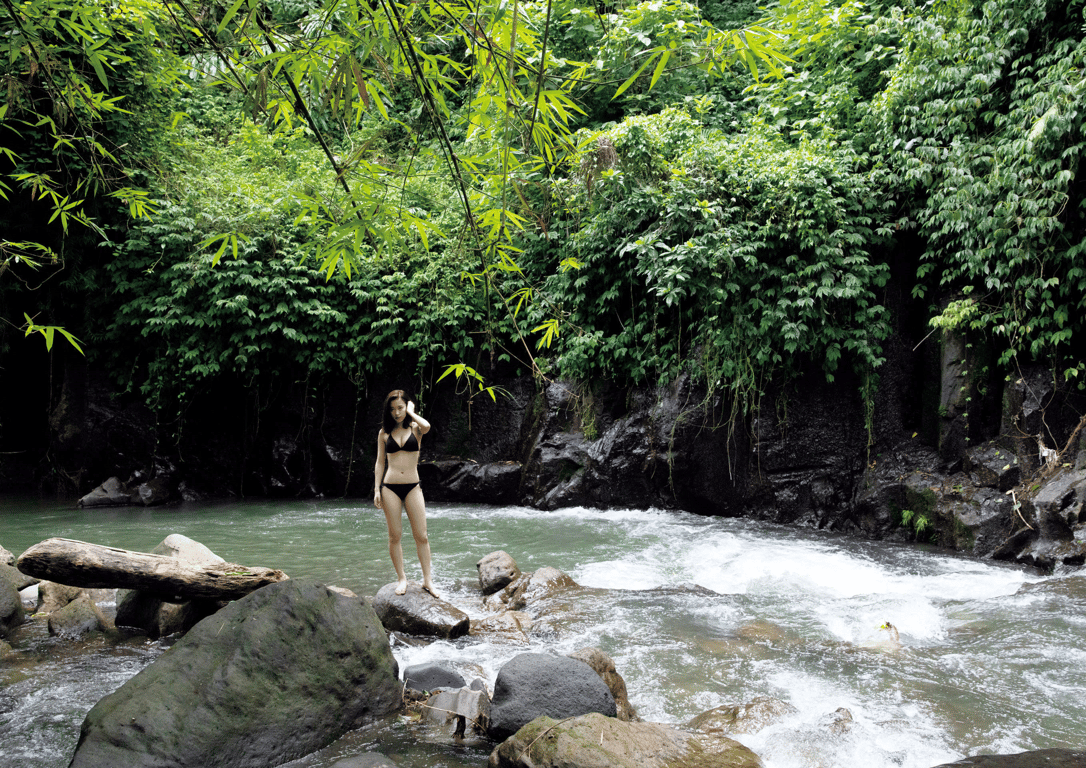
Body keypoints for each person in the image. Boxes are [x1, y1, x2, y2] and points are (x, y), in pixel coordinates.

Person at [373, 389, 438, 597]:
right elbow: (379, 462)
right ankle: (402, 578)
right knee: (395, 536)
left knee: (422, 536)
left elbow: (427, 426)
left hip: (413, 486)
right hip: (390, 487)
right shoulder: (384, 433)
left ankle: (427, 580)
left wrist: (411, 412)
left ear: (407, 407)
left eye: (400, 408)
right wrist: (376, 489)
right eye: (393, 409)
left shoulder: (416, 428)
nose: (397, 413)